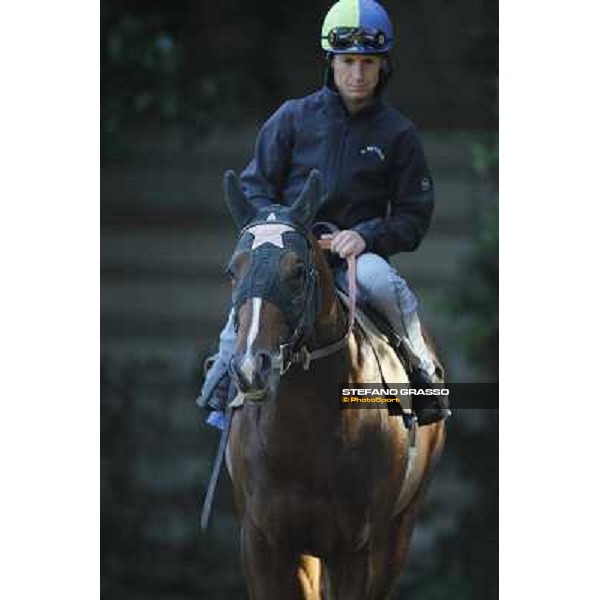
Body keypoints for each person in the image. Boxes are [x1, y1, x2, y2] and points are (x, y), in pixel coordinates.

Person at [197, 0, 449, 427]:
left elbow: (413, 215)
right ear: (330, 62)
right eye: (347, 61)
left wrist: (366, 236)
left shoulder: (399, 134)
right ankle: (223, 381)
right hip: (290, 255)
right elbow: (256, 185)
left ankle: (421, 373)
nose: (357, 73)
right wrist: (282, 233)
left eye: (368, 62)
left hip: (353, 259)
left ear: (383, 66)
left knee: (384, 283)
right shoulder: (291, 119)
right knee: (251, 297)